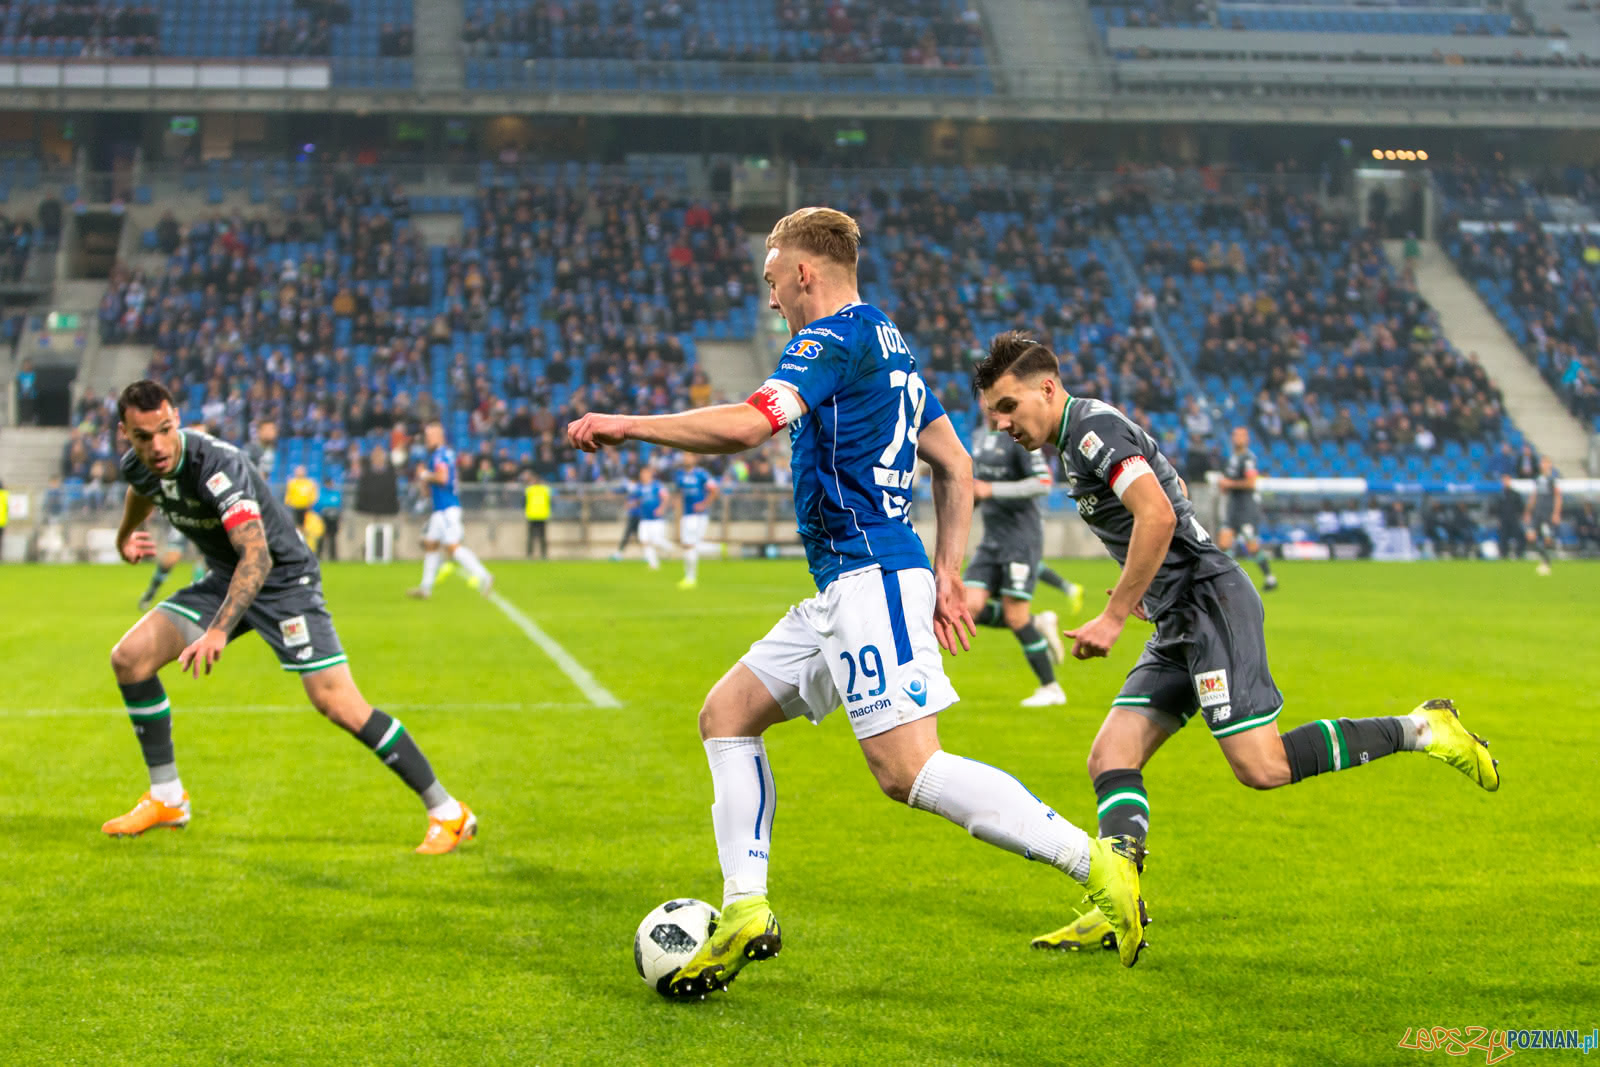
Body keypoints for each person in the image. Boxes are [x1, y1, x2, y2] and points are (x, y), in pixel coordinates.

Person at [568, 208, 1152, 994]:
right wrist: (948, 572)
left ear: (803, 271)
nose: (770, 297)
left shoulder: (829, 340)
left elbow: (749, 426)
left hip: (870, 576)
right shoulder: (891, 343)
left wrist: (631, 425)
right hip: (852, 581)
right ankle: (745, 909)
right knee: (726, 715)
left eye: (772, 278)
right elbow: (953, 465)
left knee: (909, 769)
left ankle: (1099, 864)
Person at [971, 331, 1497, 954]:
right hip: (1178, 611)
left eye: (1008, 406)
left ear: (1047, 388)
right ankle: (1117, 905)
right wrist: (1145, 583)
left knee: (1261, 766)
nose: (1002, 424)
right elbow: (1171, 499)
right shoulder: (1077, 438)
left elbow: (1159, 514)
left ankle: (1424, 729)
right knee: (1111, 755)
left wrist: (1112, 614)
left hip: (1209, 603)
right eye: (993, 414)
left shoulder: (1090, 430)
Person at [103, 380, 476, 853]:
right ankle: (167, 799)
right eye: (143, 436)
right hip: (226, 578)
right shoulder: (140, 463)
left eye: (164, 430)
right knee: (130, 658)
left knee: (338, 704)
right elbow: (141, 487)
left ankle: (449, 812)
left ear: (176, 418)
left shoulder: (217, 466)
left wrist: (217, 631)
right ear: (126, 433)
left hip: (282, 581)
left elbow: (257, 557)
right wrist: (126, 534)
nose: (156, 446)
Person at [963, 410, 1076, 707]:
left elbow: (1042, 482)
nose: (989, 405)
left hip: (1020, 540)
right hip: (991, 540)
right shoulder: (979, 437)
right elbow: (980, 487)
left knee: (1015, 615)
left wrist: (991, 490)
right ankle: (1037, 623)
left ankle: (1051, 688)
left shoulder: (1019, 437)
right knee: (967, 607)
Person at [407, 420, 493, 599]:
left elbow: (443, 478)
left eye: (429, 436)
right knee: (431, 545)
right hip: (440, 509)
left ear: (439, 436)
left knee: (453, 547)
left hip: (447, 509)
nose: (427, 439)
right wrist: (425, 482)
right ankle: (425, 588)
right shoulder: (445, 454)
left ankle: (484, 576)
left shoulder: (440, 455)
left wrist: (424, 474)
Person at [1215, 426, 1277, 591]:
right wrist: (1224, 485)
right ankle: (1227, 582)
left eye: (1242, 435)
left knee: (1252, 546)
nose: (1238, 438)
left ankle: (1270, 578)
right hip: (1233, 506)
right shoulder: (1231, 459)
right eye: (1236, 435)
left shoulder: (1248, 459)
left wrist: (1229, 484)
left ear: (1247, 439)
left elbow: (1251, 483)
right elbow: (1227, 483)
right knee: (1224, 543)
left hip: (1246, 508)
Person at [673, 454, 721, 589]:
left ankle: (690, 578)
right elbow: (678, 494)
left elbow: (714, 490)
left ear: (695, 458)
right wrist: (677, 512)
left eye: (689, 455)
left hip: (698, 515)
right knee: (688, 545)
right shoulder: (680, 475)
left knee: (690, 545)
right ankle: (718, 548)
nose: (686, 458)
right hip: (686, 515)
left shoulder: (701, 474)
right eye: (685, 455)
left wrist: (704, 504)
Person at [1525, 455, 1561, 576]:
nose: (1543, 465)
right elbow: (1534, 495)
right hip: (1537, 513)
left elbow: (1558, 496)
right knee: (1530, 537)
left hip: (1547, 513)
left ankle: (1546, 564)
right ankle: (1545, 559)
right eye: (1542, 463)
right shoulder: (1538, 478)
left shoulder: (1552, 479)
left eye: (1546, 463)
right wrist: (1528, 511)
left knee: (1547, 539)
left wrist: (1556, 513)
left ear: (1549, 465)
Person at [631, 465, 672, 569]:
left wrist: (661, 508)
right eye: (641, 473)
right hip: (644, 518)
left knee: (656, 541)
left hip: (656, 519)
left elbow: (666, 497)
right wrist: (633, 504)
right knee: (644, 540)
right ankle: (653, 564)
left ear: (650, 474)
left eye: (645, 473)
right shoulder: (639, 487)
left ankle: (670, 547)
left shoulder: (657, 485)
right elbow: (638, 500)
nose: (643, 475)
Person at [611, 471, 642, 561]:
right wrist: (613, 492)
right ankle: (647, 554)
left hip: (638, 515)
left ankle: (619, 553)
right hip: (634, 514)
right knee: (637, 535)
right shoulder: (633, 487)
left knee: (629, 534)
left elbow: (640, 500)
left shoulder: (639, 487)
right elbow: (622, 490)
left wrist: (631, 504)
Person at [317, 471, 344, 561]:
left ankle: (333, 556)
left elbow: (338, 504)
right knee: (322, 536)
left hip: (334, 518)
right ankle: (318, 555)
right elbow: (321, 504)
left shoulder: (335, 493)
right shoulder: (322, 493)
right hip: (324, 517)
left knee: (333, 537)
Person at [524, 470, 550, 559]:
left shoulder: (529, 489)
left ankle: (531, 554)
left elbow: (524, 502)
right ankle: (541, 554)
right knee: (540, 537)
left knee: (533, 537)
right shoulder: (545, 489)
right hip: (539, 515)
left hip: (535, 515)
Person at [284, 464, 318, 532]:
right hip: (295, 507)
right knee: (296, 525)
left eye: (301, 471)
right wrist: (288, 502)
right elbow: (288, 495)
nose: (299, 473)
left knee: (306, 525)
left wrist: (311, 503)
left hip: (306, 508)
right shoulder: (292, 483)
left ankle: (304, 536)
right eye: (298, 471)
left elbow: (313, 495)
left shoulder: (309, 483)